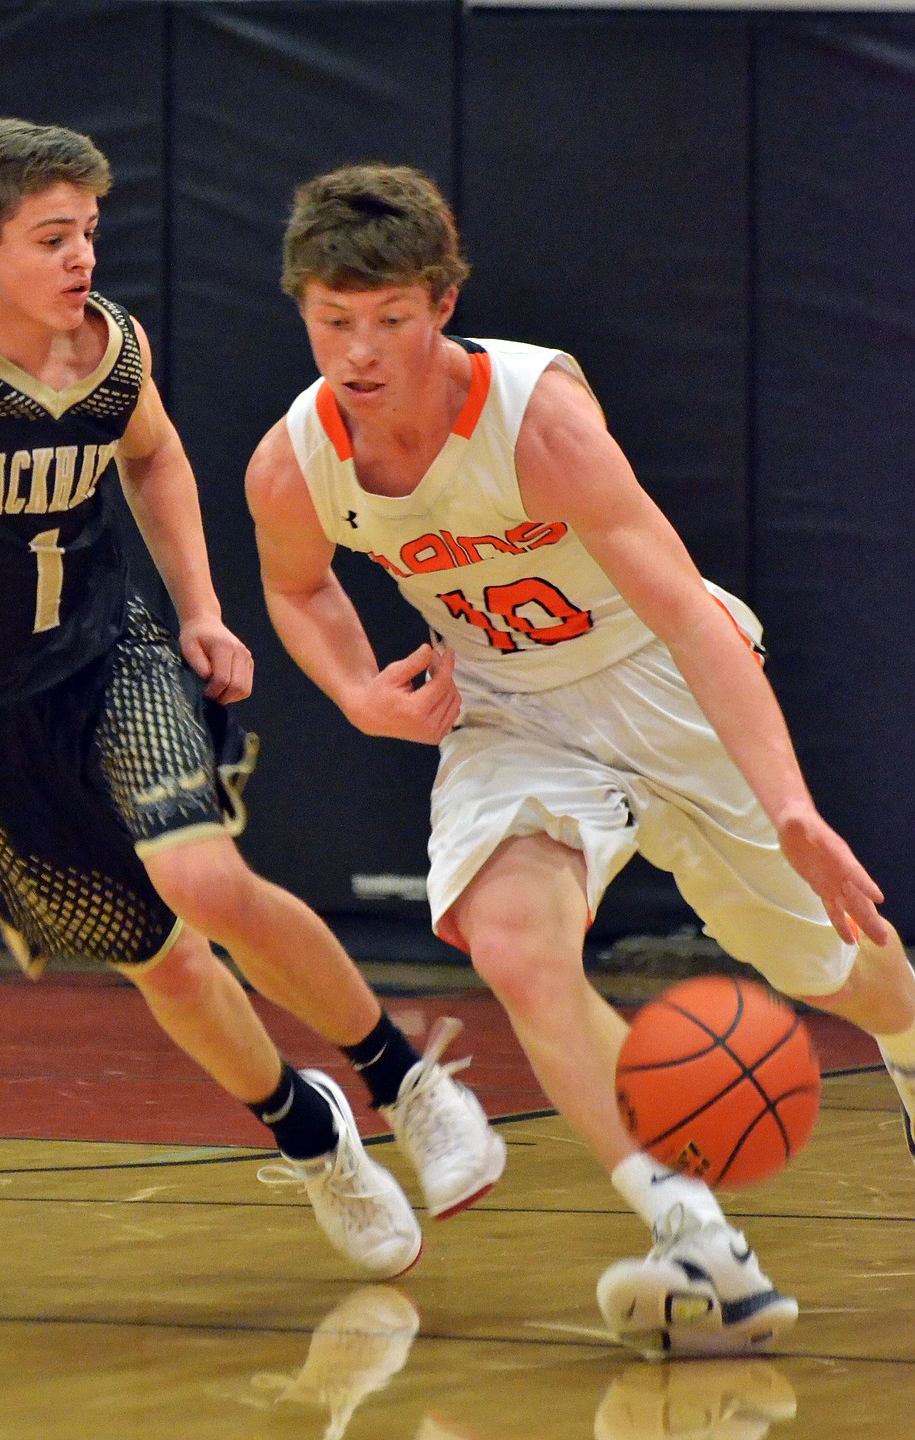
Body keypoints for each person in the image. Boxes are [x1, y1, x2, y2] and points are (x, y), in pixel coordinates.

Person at [0, 122, 507, 1281]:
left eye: (90, 232)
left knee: (207, 878)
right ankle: (315, 1143)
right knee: (163, 960)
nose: (82, 258)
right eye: (52, 238)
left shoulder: (113, 348)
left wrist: (201, 608)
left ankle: (407, 1081)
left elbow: (153, 459)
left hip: (111, 656)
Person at [244, 162, 915, 1355]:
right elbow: (297, 590)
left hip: (659, 678)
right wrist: (356, 691)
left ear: (442, 304)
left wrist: (794, 806)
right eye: (333, 321)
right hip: (509, 709)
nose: (359, 350)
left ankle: (909, 1035)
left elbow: (685, 616)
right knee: (513, 944)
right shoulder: (292, 461)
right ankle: (698, 1245)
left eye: (389, 319)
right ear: (301, 307)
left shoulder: (536, 419)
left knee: (832, 976)